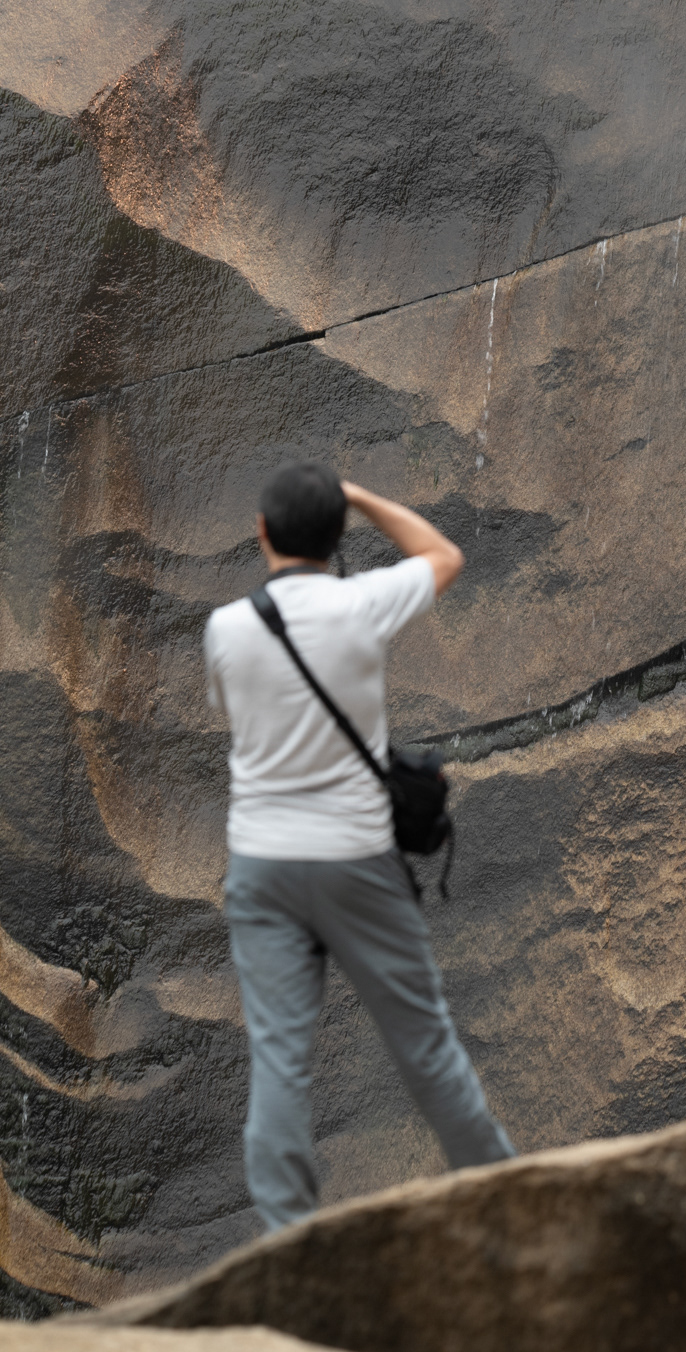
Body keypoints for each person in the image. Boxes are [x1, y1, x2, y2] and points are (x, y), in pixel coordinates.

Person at [204, 460, 514, 1231]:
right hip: (353, 861)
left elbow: (233, 716)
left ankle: (287, 1241)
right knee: (425, 1047)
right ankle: (509, 1201)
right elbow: (443, 556)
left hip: (261, 866)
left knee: (279, 1061)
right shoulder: (359, 606)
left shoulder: (226, 628)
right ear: (337, 533)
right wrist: (367, 501)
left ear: (262, 532)